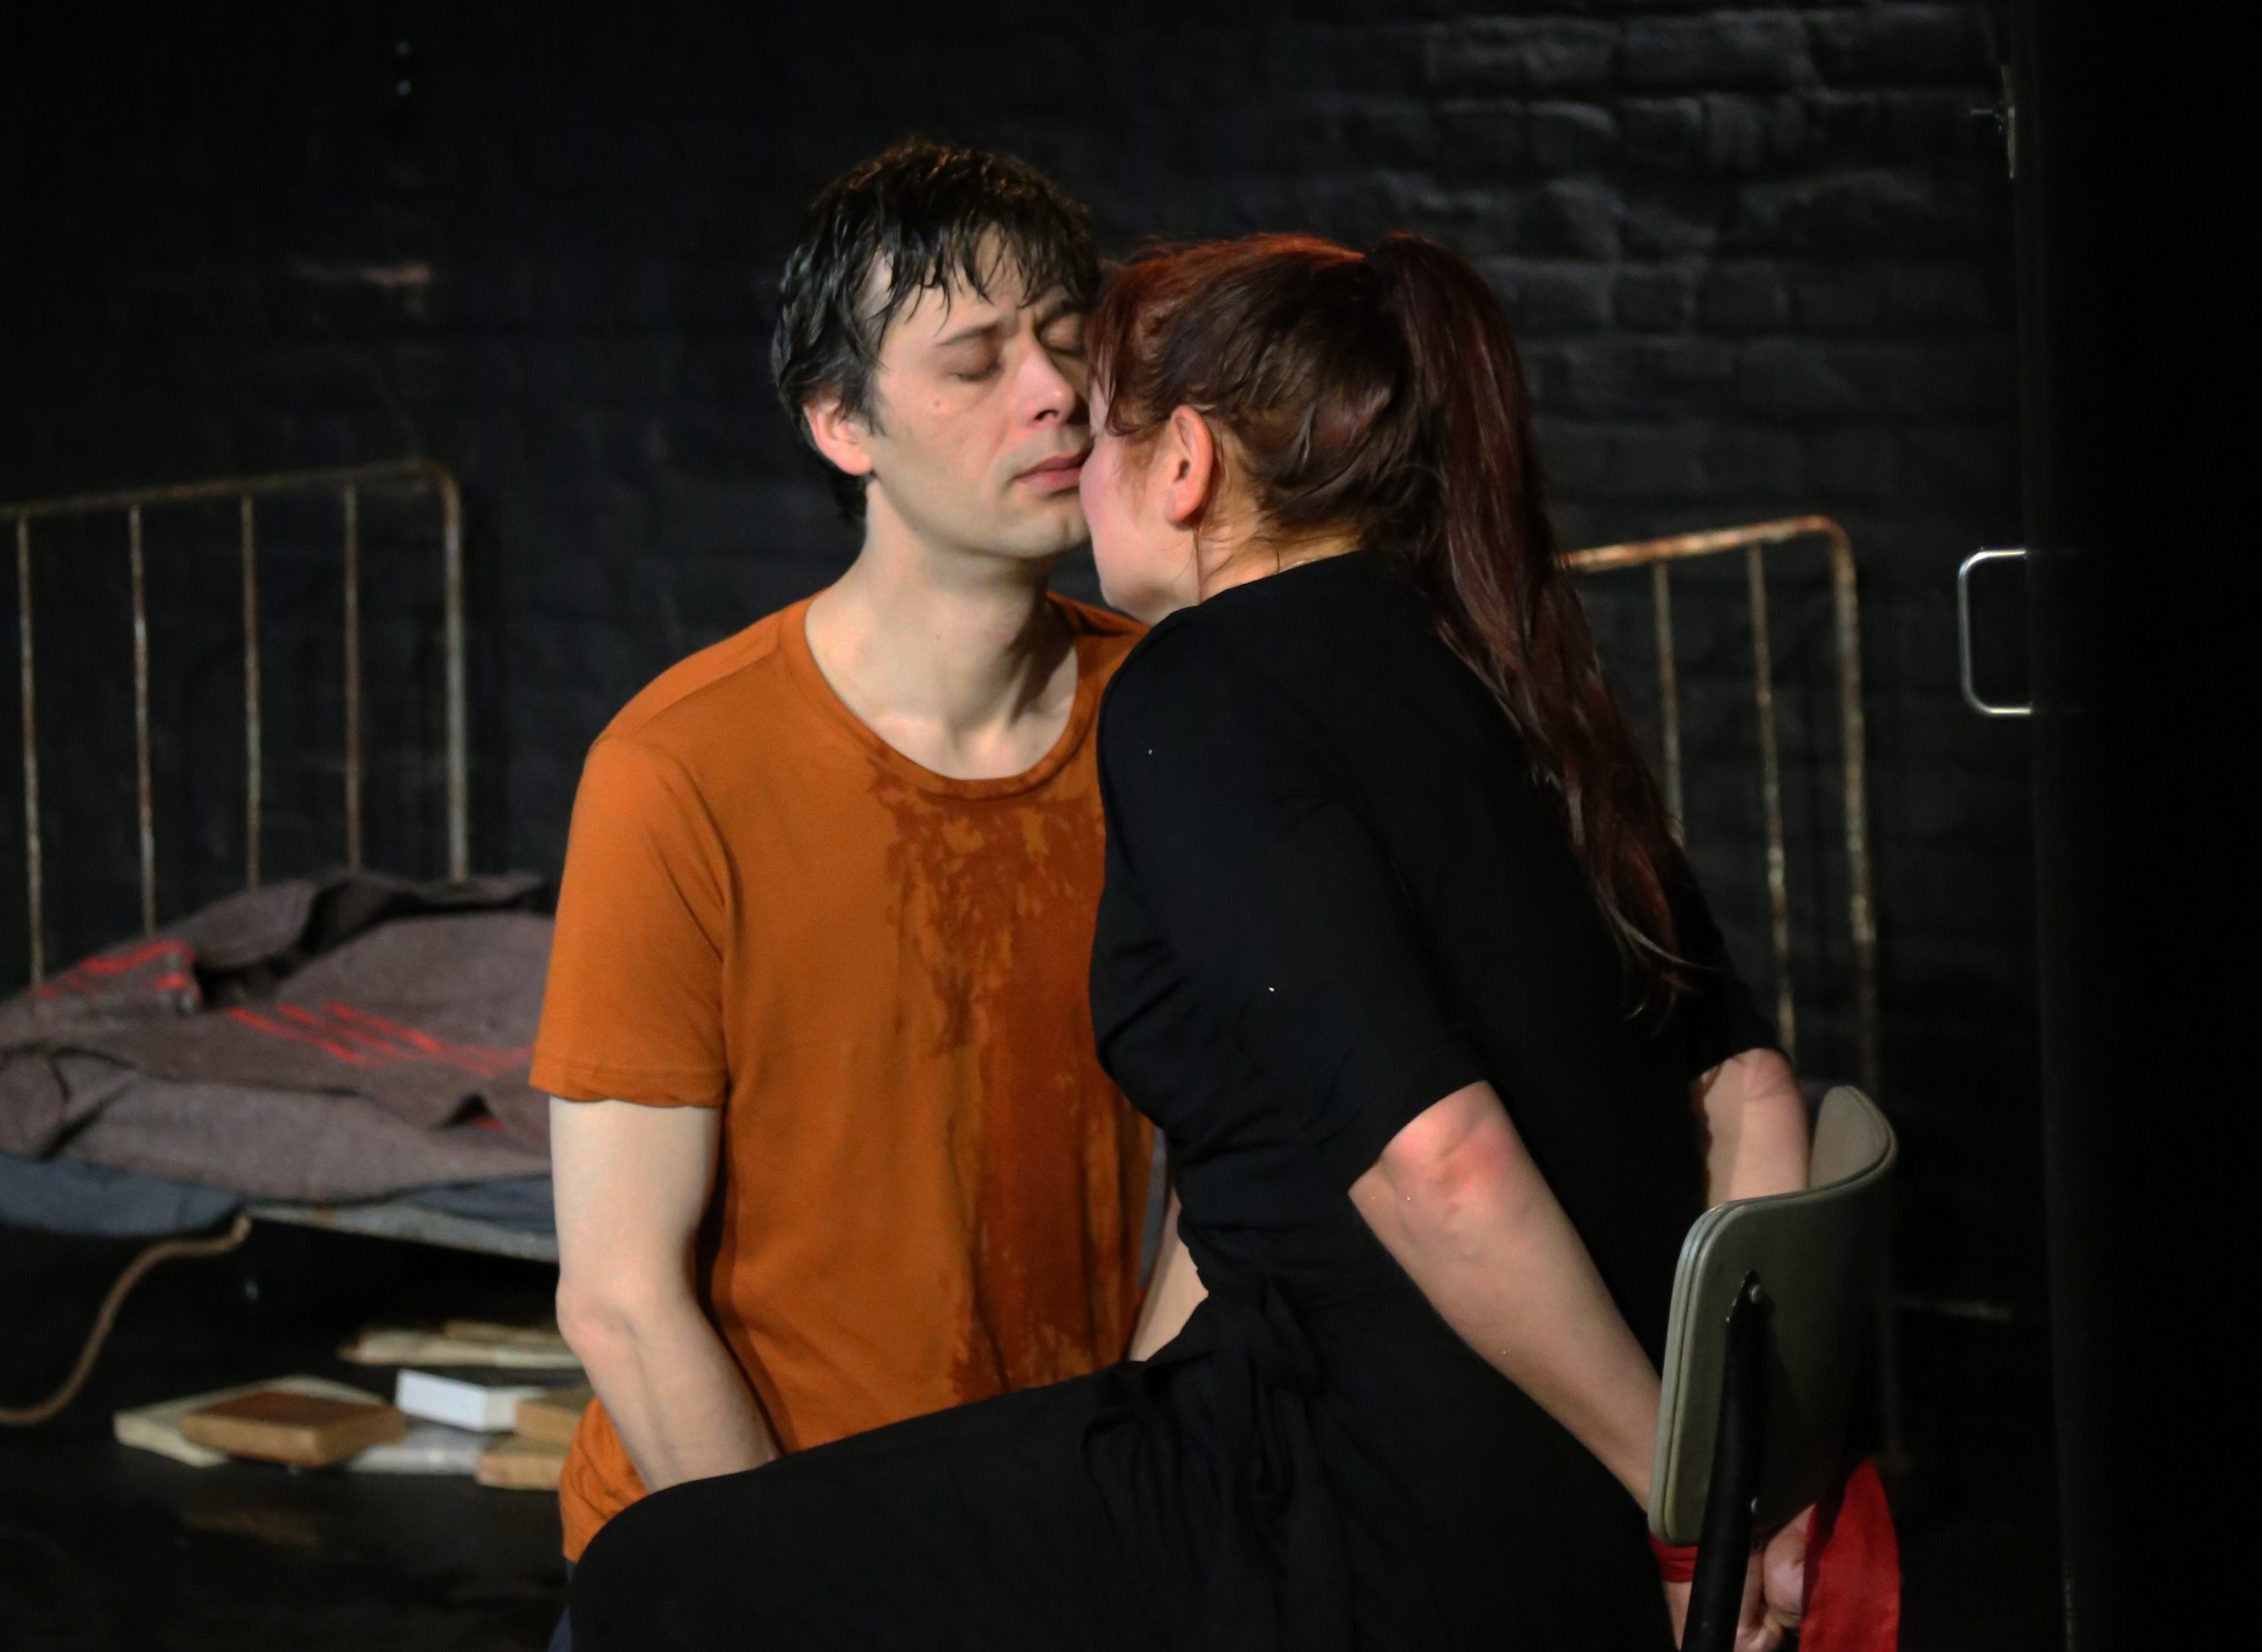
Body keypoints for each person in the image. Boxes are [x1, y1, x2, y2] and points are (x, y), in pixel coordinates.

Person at [567, 231, 1813, 1651]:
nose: (1059, 427)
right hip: (1533, 1471)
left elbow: (1443, 1162)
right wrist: (1741, 1465)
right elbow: (1756, 1097)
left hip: (1362, 1503)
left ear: (1183, 467)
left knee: (652, 1577)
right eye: (979, 365)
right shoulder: (1506, 660)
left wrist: (1686, 1510)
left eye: (1094, 411)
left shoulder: (1196, 687)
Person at [530, 140, 1158, 1605]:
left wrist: (1135, 1497)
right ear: (840, 422)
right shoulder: (679, 770)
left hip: (1059, 1544)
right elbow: (620, 1299)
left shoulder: (1169, 720)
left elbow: (1229, 1166)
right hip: (746, 1561)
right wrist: (815, 1609)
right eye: (975, 362)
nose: (1054, 391)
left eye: (1069, 340)